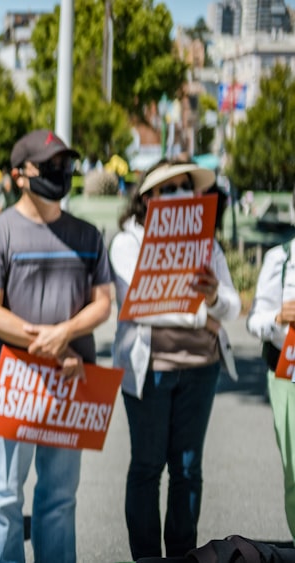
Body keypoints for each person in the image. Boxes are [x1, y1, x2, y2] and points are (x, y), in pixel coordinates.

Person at [0, 129, 113, 563]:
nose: (60, 172)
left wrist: (63, 336)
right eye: (49, 165)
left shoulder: (87, 235)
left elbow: (103, 302)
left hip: (70, 385)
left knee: (60, 498)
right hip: (12, 386)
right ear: (19, 175)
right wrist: (51, 342)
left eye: (65, 164)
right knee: (6, 497)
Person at [110, 160, 240, 559]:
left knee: (187, 471)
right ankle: (148, 557)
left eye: (185, 185)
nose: (179, 193)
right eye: (168, 187)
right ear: (147, 198)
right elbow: (144, 306)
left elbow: (233, 308)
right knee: (148, 468)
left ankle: (184, 556)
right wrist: (204, 316)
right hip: (149, 372)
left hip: (202, 371)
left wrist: (216, 299)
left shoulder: (208, 244)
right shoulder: (128, 243)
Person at [248, 181, 295, 542]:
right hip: (286, 375)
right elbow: (254, 322)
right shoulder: (279, 260)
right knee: (294, 473)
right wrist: (279, 317)